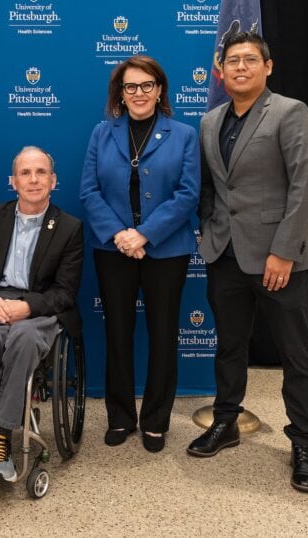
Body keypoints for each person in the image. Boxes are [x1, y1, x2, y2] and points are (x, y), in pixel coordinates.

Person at [188, 31, 308, 494]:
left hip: (279, 259)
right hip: (225, 255)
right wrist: (208, 230)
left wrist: (284, 250)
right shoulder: (209, 122)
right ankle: (225, 421)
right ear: (219, 71)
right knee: (229, 346)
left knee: (296, 354)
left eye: (250, 60)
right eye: (232, 61)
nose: (240, 67)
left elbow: (307, 186)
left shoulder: (289, 112)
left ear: (268, 67)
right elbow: (211, 187)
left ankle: (304, 444)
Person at [79, 55, 200, 453]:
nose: (139, 93)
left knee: (164, 335)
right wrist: (120, 234)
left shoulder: (183, 134)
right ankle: (120, 416)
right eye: (131, 87)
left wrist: (144, 235)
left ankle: (155, 420)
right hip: (113, 249)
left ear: (160, 89)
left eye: (147, 85)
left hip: (166, 249)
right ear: (121, 93)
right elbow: (89, 192)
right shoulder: (102, 133)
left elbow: (188, 194)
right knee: (117, 333)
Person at [0, 147, 83, 481]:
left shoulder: (69, 227)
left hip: (37, 307)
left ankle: (1, 435)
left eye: (41, 173)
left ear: (53, 181)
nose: (33, 179)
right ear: (13, 181)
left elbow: (65, 292)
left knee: (24, 337)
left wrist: (27, 307)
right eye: (25, 173)